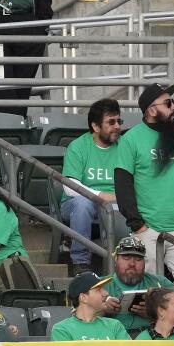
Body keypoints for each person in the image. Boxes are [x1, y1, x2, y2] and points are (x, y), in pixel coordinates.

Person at [114, 83, 174, 308]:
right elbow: (123, 185)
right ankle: (153, 334)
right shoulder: (131, 139)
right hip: (147, 229)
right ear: (151, 110)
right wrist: (137, 223)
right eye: (168, 103)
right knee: (150, 288)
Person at [60, 98, 123, 274]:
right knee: (82, 204)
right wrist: (102, 196)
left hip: (118, 203)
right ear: (95, 126)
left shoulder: (126, 146)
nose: (117, 126)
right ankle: (80, 263)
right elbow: (70, 187)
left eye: (119, 121)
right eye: (111, 122)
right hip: (80, 203)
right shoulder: (78, 146)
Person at [100, 234, 174, 336]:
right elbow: (79, 319)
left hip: (152, 342)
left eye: (138, 259)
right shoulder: (98, 285)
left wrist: (154, 313)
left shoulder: (160, 283)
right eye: (126, 257)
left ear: (144, 262)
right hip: (112, 343)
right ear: (116, 259)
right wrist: (102, 309)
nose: (132, 264)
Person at [50, 272, 130, 341]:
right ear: (84, 298)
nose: (106, 293)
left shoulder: (115, 326)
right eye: (99, 290)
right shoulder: (62, 330)